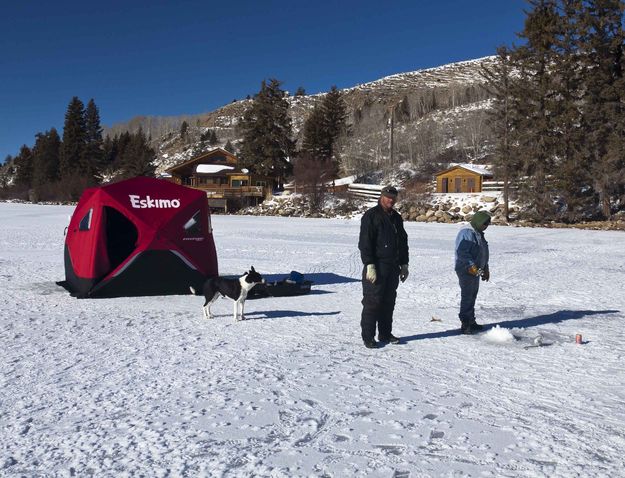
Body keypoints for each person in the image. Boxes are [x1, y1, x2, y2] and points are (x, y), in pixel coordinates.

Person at [358, 185, 409, 348]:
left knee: (388, 302)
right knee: (372, 302)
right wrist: (369, 264)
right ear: (381, 197)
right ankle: (368, 337)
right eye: (388, 197)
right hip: (376, 266)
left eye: (393, 198)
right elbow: (365, 242)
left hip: (392, 267)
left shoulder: (396, 217)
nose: (391, 200)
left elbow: (402, 242)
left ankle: (385, 333)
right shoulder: (371, 216)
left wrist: (404, 263)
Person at [454, 210, 491, 334]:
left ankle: (471, 321)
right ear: (478, 221)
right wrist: (471, 266)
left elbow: (482, 252)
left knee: (473, 295)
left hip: (476, 270)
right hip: (466, 269)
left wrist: (485, 268)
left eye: (488, 224)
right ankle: (465, 323)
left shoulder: (479, 233)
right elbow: (462, 253)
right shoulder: (467, 233)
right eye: (485, 223)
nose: (486, 226)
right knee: (467, 296)